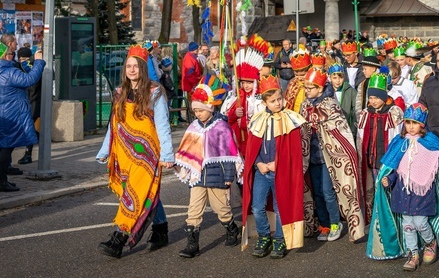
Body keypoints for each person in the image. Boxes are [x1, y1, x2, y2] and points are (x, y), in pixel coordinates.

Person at [96, 45, 175, 258]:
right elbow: (114, 125)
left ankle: (118, 239)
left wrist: (167, 154)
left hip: (147, 154)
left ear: (142, 68)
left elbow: (162, 124)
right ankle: (160, 230)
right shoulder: (120, 93)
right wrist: (105, 150)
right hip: (124, 153)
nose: (131, 70)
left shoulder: (155, 92)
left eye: (135, 66)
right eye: (128, 66)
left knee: (134, 195)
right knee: (145, 193)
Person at [370, 103, 439, 270]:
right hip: (402, 193)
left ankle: (430, 242)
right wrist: (389, 178)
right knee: (408, 225)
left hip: (422, 194)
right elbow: (397, 167)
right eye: (408, 122)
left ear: (422, 125)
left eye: (414, 123)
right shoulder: (399, 142)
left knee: (421, 223)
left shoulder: (430, 141)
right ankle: (413, 254)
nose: (410, 127)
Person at [241, 75, 307, 259]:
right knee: (257, 206)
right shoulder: (257, 119)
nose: (277, 103)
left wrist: (278, 164)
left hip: (281, 172)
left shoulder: (291, 119)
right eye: (272, 101)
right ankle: (264, 237)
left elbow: (293, 151)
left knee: (280, 208)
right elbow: (252, 147)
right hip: (262, 172)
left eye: (279, 99)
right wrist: (259, 163)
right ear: (265, 102)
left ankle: (280, 238)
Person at [174, 76, 241, 258]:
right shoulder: (194, 127)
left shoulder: (221, 127)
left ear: (210, 107)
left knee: (222, 210)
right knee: (193, 210)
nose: (198, 114)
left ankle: (231, 228)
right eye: (195, 111)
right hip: (197, 177)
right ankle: (192, 245)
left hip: (216, 176)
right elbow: (187, 149)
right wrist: (184, 166)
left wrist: (228, 177)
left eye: (201, 110)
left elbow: (228, 154)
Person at [300, 68, 365, 242]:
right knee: (318, 193)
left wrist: (320, 125)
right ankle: (324, 225)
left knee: (328, 192)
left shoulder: (330, 104)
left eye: (310, 88)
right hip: (312, 156)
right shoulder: (304, 105)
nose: (307, 91)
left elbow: (339, 127)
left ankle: (336, 223)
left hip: (329, 156)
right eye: (305, 88)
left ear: (320, 89)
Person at [0, 41, 45, 192]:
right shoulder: (9, 72)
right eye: (10, 53)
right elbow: (29, 80)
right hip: (11, 113)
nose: (12, 56)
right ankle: (2, 182)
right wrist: (38, 62)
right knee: (7, 147)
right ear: (4, 56)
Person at [356, 70, 404, 221]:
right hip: (371, 159)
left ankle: (389, 218)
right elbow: (361, 138)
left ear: (384, 96)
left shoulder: (394, 113)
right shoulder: (365, 113)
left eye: (377, 97)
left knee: (387, 187)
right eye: (370, 97)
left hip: (387, 159)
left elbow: (398, 137)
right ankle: (376, 217)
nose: (373, 101)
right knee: (374, 187)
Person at [222, 35, 268, 156]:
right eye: (243, 82)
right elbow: (226, 116)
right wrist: (235, 114)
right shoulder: (237, 96)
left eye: (249, 82)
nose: (246, 86)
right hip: (239, 140)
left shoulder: (261, 98)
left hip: (255, 139)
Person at [15, 47, 43, 165]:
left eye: (25, 59)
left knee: (29, 127)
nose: (23, 61)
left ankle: (28, 153)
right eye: (21, 59)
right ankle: (40, 139)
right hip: (24, 102)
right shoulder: (18, 68)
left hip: (34, 102)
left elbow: (32, 83)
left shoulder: (34, 68)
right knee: (27, 128)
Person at [327, 63, 358, 135]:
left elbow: (355, 111)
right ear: (330, 78)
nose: (338, 81)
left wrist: (353, 129)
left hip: (347, 128)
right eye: (334, 78)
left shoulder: (350, 91)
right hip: (331, 129)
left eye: (340, 78)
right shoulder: (327, 92)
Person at [283, 49, 311, 113]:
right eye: (296, 74)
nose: (299, 77)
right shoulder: (292, 83)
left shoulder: (313, 84)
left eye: (302, 75)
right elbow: (287, 101)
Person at [181, 42, 203, 112]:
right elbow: (189, 74)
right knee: (193, 104)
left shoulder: (191, 57)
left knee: (193, 103)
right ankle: (193, 118)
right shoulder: (190, 58)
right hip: (191, 85)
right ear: (195, 49)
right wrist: (194, 84)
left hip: (191, 84)